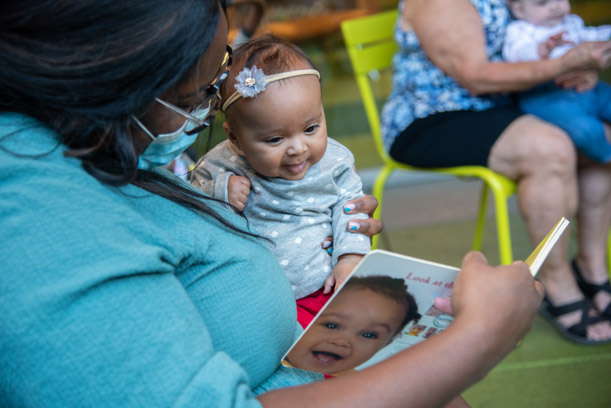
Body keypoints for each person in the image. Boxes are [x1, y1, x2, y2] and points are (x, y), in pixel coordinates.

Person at [1, 1, 544, 407]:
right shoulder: (34, 213)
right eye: (200, 94)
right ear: (114, 78)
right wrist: (476, 342)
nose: (211, 108)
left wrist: (344, 241)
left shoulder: (102, 141)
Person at [382, 0, 611, 345]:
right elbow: (475, 76)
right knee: (549, 147)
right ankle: (556, 283)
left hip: (506, 104)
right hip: (433, 117)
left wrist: (576, 71)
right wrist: (563, 64)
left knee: (599, 136)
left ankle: (592, 267)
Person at [190, 36, 370, 328]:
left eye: (311, 128)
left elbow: (351, 210)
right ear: (234, 137)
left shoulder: (334, 162)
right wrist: (219, 192)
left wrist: (349, 258)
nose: (298, 148)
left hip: (325, 284)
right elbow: (192, 206)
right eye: (275, 139)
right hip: (258, 299)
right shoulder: (221, 165)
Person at [503, 0, 611, 163]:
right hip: (547, 97)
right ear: (519, 10)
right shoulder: (519, 30)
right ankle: (606, 154)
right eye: (542, 3)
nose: (554, 7)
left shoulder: (571, 22)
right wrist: (542, 49)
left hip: (587, 88)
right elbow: (515, 55)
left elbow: (591, 35)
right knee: (584, 130)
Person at [284, 275, 421, 376]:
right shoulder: (290, 318)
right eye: (332, 325)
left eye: (368, 335)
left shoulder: (356, 387)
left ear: (384, 345)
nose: (341, 342)